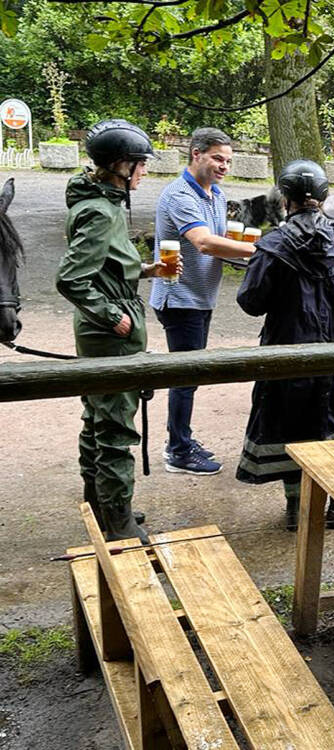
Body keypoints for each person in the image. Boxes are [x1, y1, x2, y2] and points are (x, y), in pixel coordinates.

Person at [234, 160, 334, 530]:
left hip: (289, 354)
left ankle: (298, 511)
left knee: (292, 427)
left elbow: (251, 302)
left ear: (285, 198)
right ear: (324, 196)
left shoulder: (272, 246)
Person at [56, 120, 181, 543]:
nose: (144, 171)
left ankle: (101, 501)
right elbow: (71, 279)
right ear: (119, 166)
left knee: (97, 417)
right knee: (114, 427)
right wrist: (111, 316)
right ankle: (118, 521)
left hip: (102, 329)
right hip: (108, 333)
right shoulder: (100, 211)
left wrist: (146, 270)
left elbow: (105, 267)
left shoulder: (102, 202)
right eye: (140, 164)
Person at [149, 127, 255, 475]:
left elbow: (221, 242)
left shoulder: (216, 195)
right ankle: (178, 451)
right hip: (180, 298)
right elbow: (205, 242)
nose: (224, 166)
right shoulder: (179, 195)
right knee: (186, 376)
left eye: (228, 161)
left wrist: (245, 256)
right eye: (217, 158)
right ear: (196, 154)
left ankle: (181, 439)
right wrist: (262, 249)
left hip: (201, 297)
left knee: (190, 374)